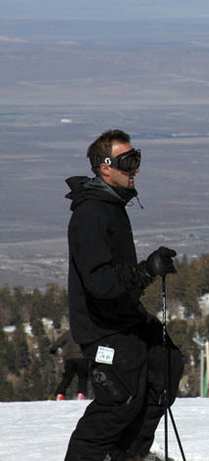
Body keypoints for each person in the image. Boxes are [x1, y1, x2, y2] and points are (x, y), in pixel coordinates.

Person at [64, 129, 185, 461]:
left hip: (122, 316)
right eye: (128, 161)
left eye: (137, 158)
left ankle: (128, 454)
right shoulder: (91, 214)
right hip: (103, 326)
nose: (136, 168)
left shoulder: (111, 205)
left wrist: (147, 270)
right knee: (120, 400)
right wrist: (146, 270)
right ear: (105, 167)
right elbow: (100, 284)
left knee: (166, 365)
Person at [50, 328, 89, 401]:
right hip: (82, 358)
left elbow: (59, 342)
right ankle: (81, 393)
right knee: (83, 377)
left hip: (70, 358)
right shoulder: (86, 332)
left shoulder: (68, 333)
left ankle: (60, 394)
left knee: (67, 377)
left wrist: (53, 350)